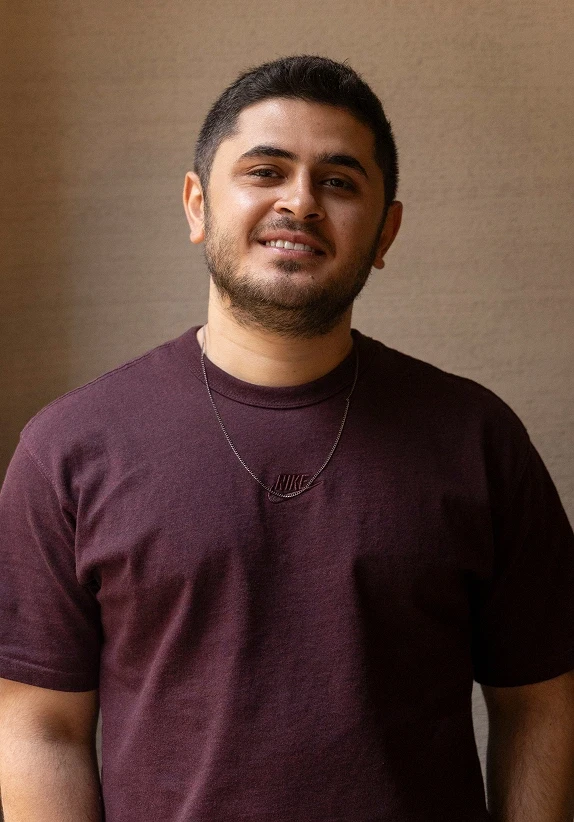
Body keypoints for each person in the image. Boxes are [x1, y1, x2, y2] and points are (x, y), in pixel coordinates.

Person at [0, 55, 573, 822]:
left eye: (338, 181)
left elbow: (541, 699)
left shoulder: (478, 439)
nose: (299, 201)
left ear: (384, 230)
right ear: (197, 205)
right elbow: (40, 723)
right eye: (265, 171)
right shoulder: (70, 448)